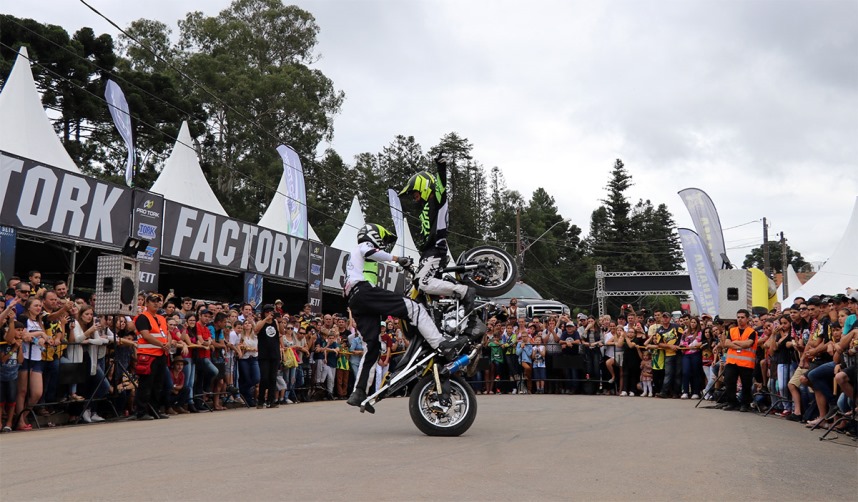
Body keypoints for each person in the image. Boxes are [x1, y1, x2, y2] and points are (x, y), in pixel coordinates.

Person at [345, 223, 467, 408]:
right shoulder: (363, 247)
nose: (383, 245)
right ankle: (440, 343)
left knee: (372, 346)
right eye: (382, 240)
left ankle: (359, 391)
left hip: (355, 300)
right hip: (363, 291)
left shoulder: (353, 260)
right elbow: (371, 252)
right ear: (373, 235)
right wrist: (398, 258)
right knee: (414, 307)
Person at [398, 154, 476, 309]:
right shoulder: (426, 208)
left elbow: (441, 186)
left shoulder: (437, 201)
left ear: (424, 187)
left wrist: (441, 167)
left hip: (436, 249)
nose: (416, 199)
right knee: (419, 285)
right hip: (429, 252)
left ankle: (463, 291)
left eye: (416, 194)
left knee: (422, 282)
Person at [134, 294, 170, 420]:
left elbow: (167, 333)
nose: (156, 303)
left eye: (158, 301)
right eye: (153, 301)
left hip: (160, 354)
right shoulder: (142, 318)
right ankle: (141, 411)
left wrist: (168, 343)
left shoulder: (161, 318)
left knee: (158, 385)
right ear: (147, 303)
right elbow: (145, 335)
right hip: (148, 355)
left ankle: (154, 410)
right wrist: (162, 344)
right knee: (146, 384)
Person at [720, 309, 758, 412]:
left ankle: (745, 404)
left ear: (747, 319)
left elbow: (748, 344)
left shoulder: (752, 332)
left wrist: (735, 342)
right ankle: (732, 403)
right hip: (732, 362)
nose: (740, 319)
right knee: (729, 381)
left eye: (742, 317)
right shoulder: (732, 331)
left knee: (746, 385)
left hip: (746, 363)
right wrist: (740, 344)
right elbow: (726, 343)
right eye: (738, 317)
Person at [254, 305, 282, 409]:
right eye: (268, 312)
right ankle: (261, 400)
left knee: (273, 378)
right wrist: (266, 319)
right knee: (264, 378)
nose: (270, 314)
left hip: (274, 354)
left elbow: (281, 332)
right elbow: (256, 330)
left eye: (271, 312)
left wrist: (279, 320)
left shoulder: (275, 323)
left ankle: (271, 400)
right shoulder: (261, 322)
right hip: (264, 354)